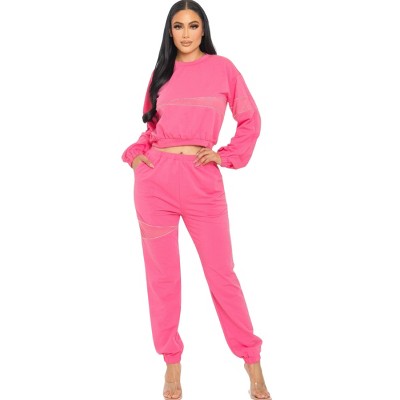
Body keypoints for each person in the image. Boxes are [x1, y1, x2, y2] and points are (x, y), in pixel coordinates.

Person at [121, 1, 272, 399]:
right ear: (170, 32)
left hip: (202, 180)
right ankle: (172, 364)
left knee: (222, 274)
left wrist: (226, 155)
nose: (185, 33)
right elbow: (151, 128)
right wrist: (136, 157)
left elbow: (251, 119)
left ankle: (252, 362)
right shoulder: (162, 72)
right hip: (155, 182)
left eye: (192, 25)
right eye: (178, 26)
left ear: (203, 29)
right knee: (163, 277)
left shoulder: (223, 69)